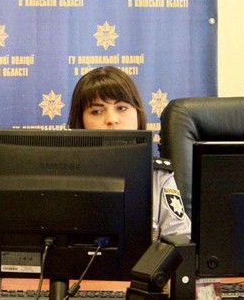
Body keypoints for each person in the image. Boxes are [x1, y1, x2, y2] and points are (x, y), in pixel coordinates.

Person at [68, 66, 191, 242]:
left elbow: (180, 240)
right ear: (80, 121)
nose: (112, 119)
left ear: (138, 114)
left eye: (122, 108)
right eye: (97, 111)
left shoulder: (158, 176)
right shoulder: (61, 173)